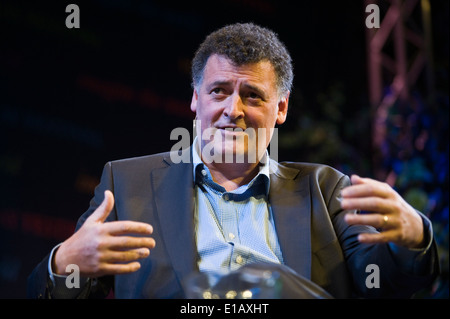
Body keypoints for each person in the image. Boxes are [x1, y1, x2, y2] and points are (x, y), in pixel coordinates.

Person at [27, 23, 438, 299]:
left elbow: (393, 292)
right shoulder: (126, 184)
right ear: (195, 99)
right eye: (219, 91)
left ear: (281, 109)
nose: (232, 110)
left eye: (253, 96)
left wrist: (416, 236)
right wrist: (65, 263)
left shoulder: (328, 191)